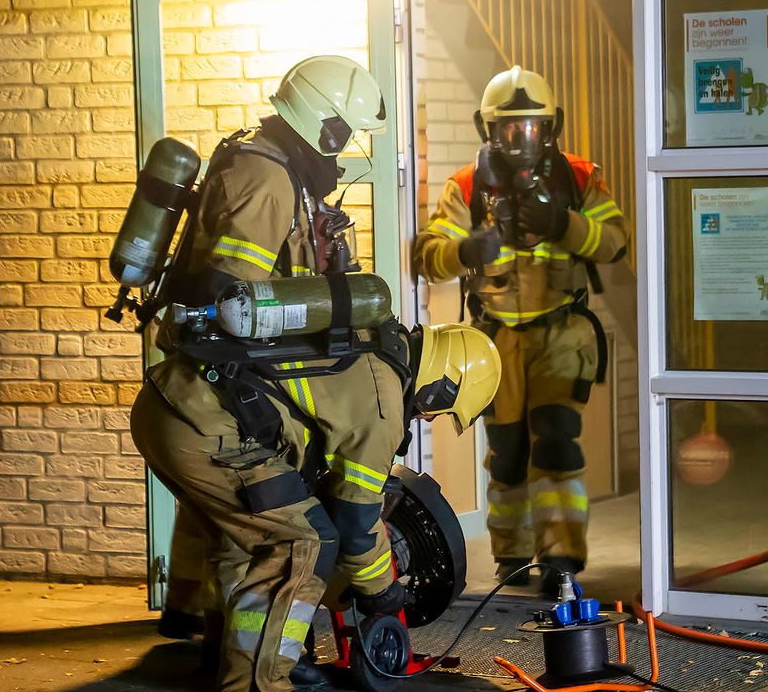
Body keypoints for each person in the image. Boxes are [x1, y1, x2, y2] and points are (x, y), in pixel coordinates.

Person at [132, 55, 400, 692]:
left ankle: (235, 659)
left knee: (248, 540)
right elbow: (241, 302)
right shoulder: (266, 176)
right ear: (324, 126)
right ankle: (256, 681)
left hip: (191, 403)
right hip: (205, 397)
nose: (348, 152)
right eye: (347, 135)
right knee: (296, 544)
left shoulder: (285, 173)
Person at [413, 66, 630, 597]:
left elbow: (616, 241)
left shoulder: (580, 178)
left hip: (562, 332)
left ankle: (561, 560)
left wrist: (562, 224)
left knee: (556, 445)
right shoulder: (465, 185)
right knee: (507, 455)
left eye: (531, 128)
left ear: (550, 127)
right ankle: (511, 557)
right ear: (488, 129)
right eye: (508, 129)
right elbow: (428, 256)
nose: (519, 139)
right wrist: (463, 250)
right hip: (496, 340)